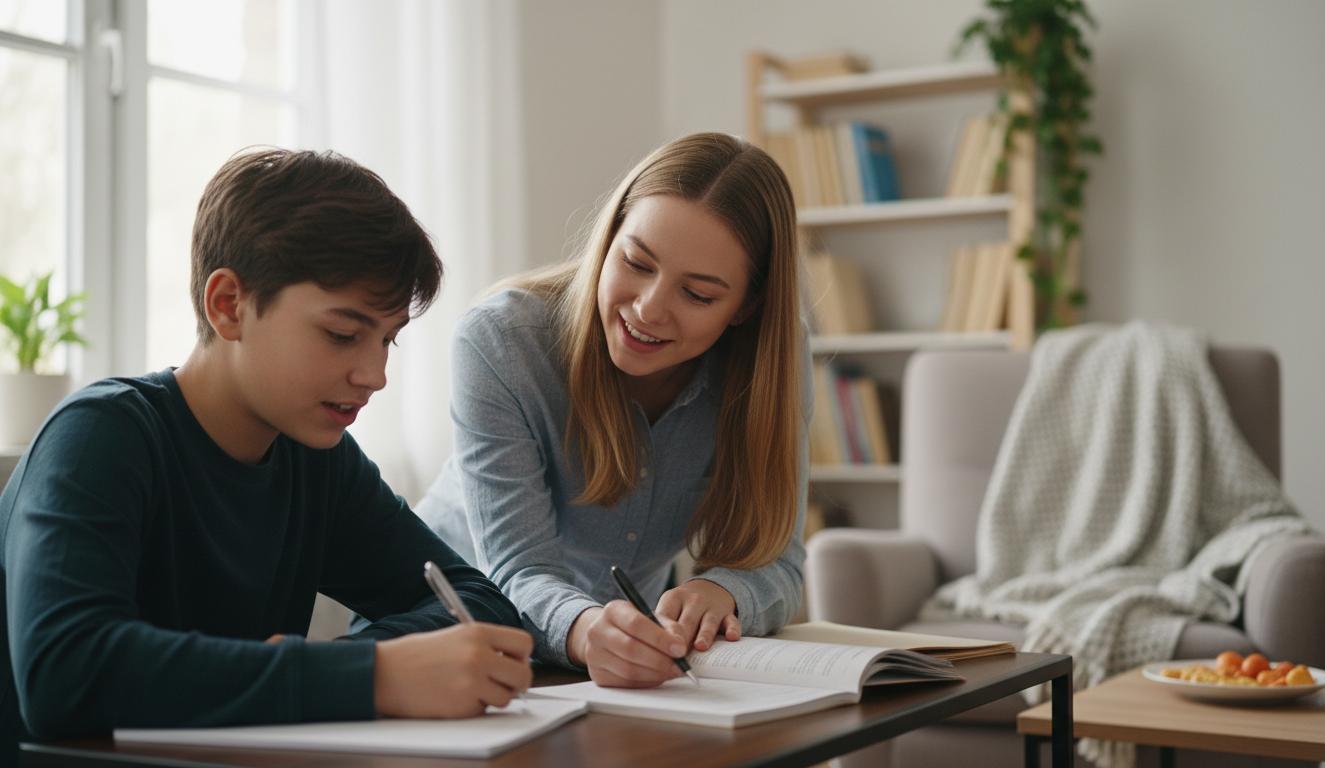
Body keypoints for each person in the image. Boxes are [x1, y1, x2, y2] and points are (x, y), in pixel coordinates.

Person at [0, 149, 533, 756]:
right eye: (342, 334)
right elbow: (65, 674)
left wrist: (357, 665)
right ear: (228, 305)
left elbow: (476, 602)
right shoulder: (101, 435)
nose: (375, 374)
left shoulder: (317, 458)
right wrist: (374, 677)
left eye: (388, 339)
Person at [417, 132, 810, 688]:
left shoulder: (771, 362)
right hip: (440, 625)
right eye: (635, 262)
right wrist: (586, 628)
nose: (648, 309)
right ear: (607, 242)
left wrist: (724, 593)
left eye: (698, 295)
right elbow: (516, 570)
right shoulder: (502, 341)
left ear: (747, 307)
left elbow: (781, 560)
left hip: (610, 659)